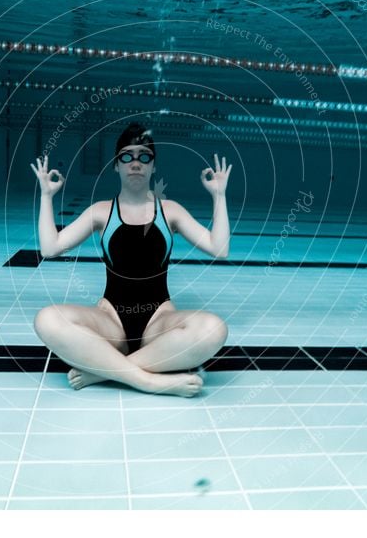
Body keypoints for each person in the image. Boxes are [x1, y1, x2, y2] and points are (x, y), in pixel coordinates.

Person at [30, 123, 231, 397]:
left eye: (144, 156)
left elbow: (219, 248)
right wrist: (46, 196)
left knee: (214, 329)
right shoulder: (101, 211)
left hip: (159, 321)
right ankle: (149, 381)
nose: (135, 163)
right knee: (47, 320)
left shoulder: (170, 211)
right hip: (110, 320)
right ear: (116, 165)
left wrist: (219, 196)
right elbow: (50, 248)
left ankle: (99, 372)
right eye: (127, 156)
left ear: (153, 166)